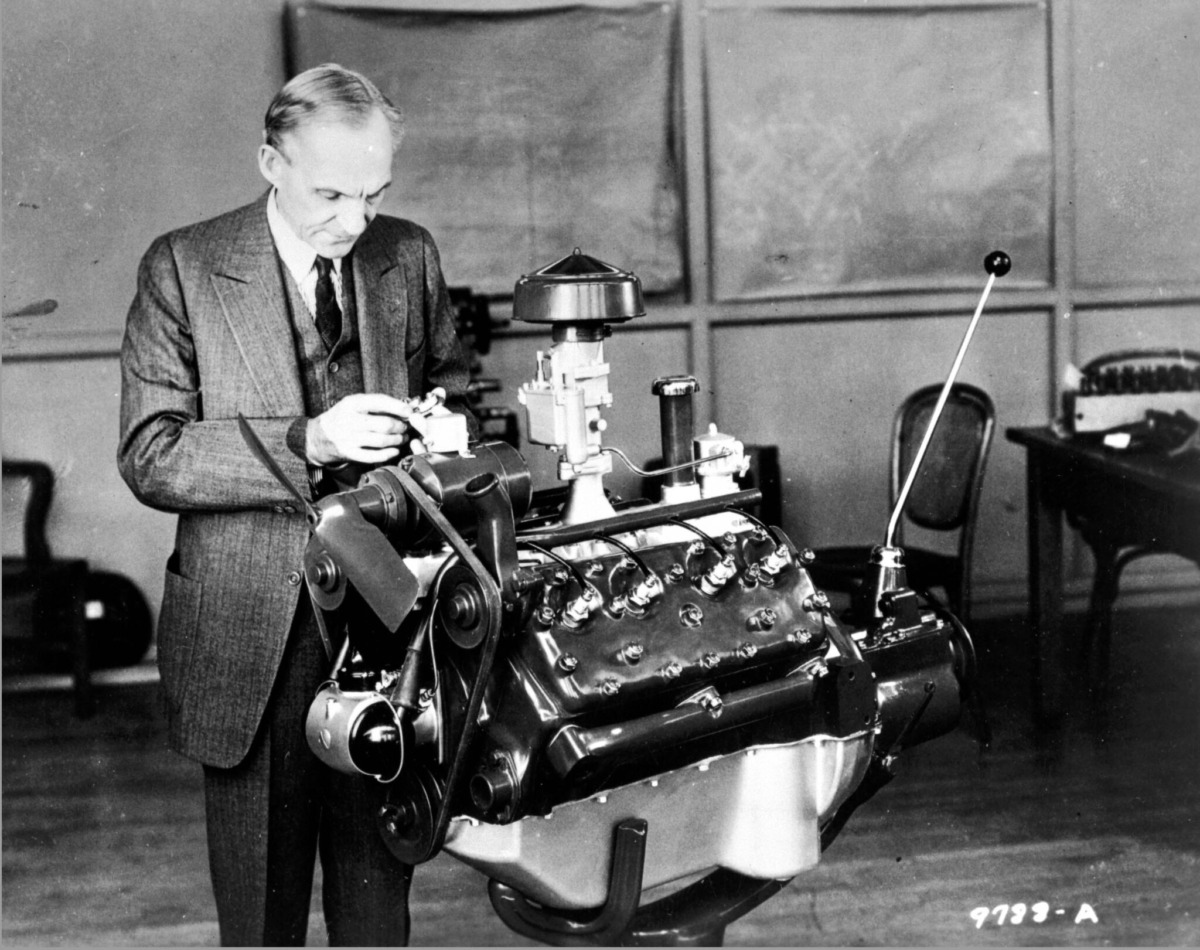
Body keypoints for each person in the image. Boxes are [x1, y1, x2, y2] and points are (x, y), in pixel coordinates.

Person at [117, 63, 476, 946]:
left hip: (390, 628)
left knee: (374, 909)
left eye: (375, 192)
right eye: (330, 194)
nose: (355, 222)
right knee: (262, 920)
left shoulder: (409, 253)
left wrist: (444, 424)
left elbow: (457, 385)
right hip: (250, 634)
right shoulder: (184, 267)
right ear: (268, 163)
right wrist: (307, 439)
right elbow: (150, 453)